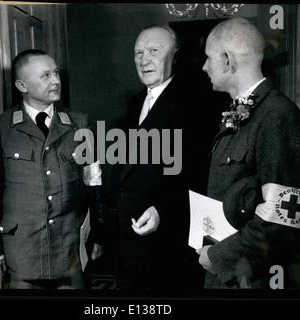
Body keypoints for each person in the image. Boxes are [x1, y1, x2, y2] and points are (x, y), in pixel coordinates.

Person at [0, 49, 103, 289]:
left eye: (55, 73)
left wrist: (99, 235)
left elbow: (94, 185)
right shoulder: (1, 128)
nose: (55, 80)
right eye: (45, 76)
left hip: (70, 250)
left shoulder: (80, 123)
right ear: (22, 85)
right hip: (23, 254)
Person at [198, 17, 300, 288]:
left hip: (254, 280)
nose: (204, 66)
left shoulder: (277, 115)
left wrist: (218, 256)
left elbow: (281, 221)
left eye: (208, 58)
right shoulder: (245, 110)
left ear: (227, 60)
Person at [107, 25, 202, 292]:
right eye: (138, 52)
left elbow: (198, 172)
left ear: (175, 56)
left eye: (153, 51)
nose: (143, 59)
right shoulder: (136, 101)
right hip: (130, 235)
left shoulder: (195, 102)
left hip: (168, 238)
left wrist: (163, 210)